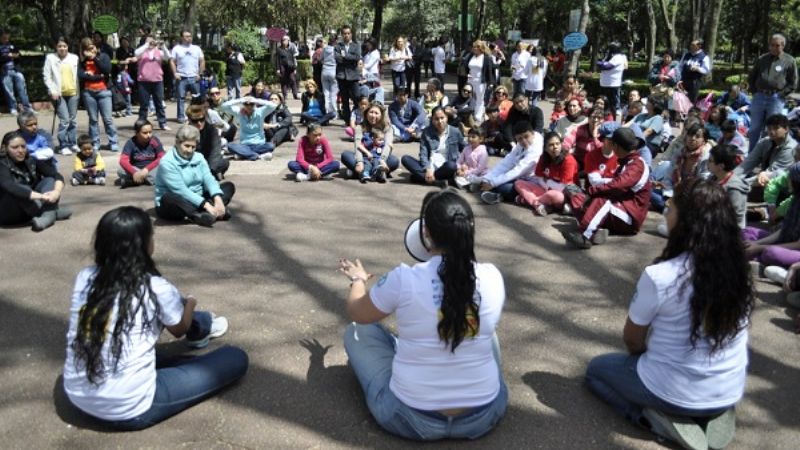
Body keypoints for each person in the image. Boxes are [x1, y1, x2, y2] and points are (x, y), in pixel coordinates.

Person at [585, 178, 752, 450]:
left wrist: (647, 363)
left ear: (687, 220)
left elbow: (633, 341)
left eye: (670, 208)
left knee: (596, 371)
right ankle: (712, 411)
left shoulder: (661, 275)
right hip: (728, 388)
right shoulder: (739, 269)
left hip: (671, 388)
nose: (665, 213)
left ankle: (653, 418)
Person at [339, 189, 507, 440]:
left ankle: (406, 352)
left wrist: (358, 280)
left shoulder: (404, 278)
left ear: (426, 233)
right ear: (469, 230)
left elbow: (357, 312)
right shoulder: (492, 275)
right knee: (485, 331)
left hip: (409, 417)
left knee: (356, 331)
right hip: (483, 414)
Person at [63, 206, 247, 430]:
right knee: (235, 357)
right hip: (132, 408)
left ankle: (202, 331)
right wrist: (190, 302)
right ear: (144, 245)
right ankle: (203, 331)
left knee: (142, 345)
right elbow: (179, 329)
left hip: (78, 398)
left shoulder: (85, 277)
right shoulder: (155, 286)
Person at [562, 127, 651, 249]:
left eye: (613, 145)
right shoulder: (625, 162)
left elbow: (617, 186)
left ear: (617, 146)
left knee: (602, 198)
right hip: (616, 209)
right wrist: (589, 195)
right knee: (574, 194)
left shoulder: (637, 165)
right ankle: (596, 229)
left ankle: (585, 235)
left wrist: (592, 192)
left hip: (630, 217)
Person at [154, 126, 235, 227]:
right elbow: (181, 190)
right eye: (186, 146)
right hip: (178, 201)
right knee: (168, 198)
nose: (189, 150)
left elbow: (208, 178)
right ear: (177, 142)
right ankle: (197, 215)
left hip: (198, 197)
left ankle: (211, 211)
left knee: (228, 187)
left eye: (193, 147)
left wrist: (217, 198)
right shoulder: (167, 162)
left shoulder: (199, 157)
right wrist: (206, 204)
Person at [0, 131, 71, 231]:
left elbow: (56, 175)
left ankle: (48, 214)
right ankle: (51, 213)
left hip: (31, 208)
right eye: (15, 147)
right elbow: (10, 186)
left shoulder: (30, 160)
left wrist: (56, 192)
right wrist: (42, 197)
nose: (20, 150)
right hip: (9, 213)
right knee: (21, 188)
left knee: (49, 180)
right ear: (4, 148)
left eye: (23, 146)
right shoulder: (2, 164)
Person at [747, 33, 798, 153]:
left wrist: (781, 95)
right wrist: (755, 92)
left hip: (776, 98)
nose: (774, 47)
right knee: (754, 128)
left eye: (777, 45)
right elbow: (752, 77)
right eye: (772, 45)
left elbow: (793, 83)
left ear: (783, 46)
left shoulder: (789, 61)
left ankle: (767, 156)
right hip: (759, 97)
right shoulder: (762, 59)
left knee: (772, 130)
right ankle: (752, 155)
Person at [650, 124, 711, 213]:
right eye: (690, 135)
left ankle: (673, 209)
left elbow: (702, 183)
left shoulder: (705, 157)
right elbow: (669, 177)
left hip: (692, 197)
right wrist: (671, 196)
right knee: (647, 191)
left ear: (704, 141)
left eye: (697, 136)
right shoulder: (680, 152)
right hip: (673, 192)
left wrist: (679, 198)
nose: (692, 138)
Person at [514, 131, 578, 216]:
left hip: (563, 195)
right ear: (545, 148)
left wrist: (547, 181)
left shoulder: (568, 160)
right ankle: (539, 204)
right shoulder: (543, 158)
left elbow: (563, 187)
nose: (555, 147)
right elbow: (539, 177)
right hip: (544, 190)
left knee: (553, 194)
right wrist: (548, 183)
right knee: (518, 183)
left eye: (557, 144)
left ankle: (527, 200)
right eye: (551, 145)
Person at [479, 121, 543, 205]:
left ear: (533, 134)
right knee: (493, 180)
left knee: (504, 188)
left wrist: (493, 183)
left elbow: (518, 171)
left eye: (526, 136)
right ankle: (495, 192)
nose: (524, 141)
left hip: (533, 183)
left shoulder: (536, 149)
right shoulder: (520, 145)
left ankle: (501, 195)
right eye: (519, 139)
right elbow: (507, 162)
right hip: (521, 178)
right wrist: (487, 179)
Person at [401, 107, 464, 185]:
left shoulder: (455, 131)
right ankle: (438, 181)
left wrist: (464, 165)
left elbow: (465, 149)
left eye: (442, 118)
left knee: (451, 166)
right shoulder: (426, 132)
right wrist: (428, 169)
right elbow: (423, 154)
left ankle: (422, 178)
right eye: (436, 119)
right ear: (432, 120)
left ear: (447, 117)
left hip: (446, 167)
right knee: (405, 159)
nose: (440, 121)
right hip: (430, 166)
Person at [734, 114, 797, 189]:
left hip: (781, 185)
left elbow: (770, 174)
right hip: (763, 178)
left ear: (786, 129)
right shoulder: (765, 142)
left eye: (776, 128)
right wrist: (731, 178)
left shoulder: (791, 148)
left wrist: (738, 184)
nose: (772, 132)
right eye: (769, 128)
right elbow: (748, 163)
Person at [79, 37, 119, 152]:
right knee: (93, 120)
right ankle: (95, 142)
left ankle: (113, 141)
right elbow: (81, 75)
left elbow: (106, 70)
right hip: (89, 93)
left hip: (103, 91)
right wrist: (98, 76)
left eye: (92, 48)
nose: (90, 51)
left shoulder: (103, 57)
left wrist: (94, 59)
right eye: (87, 49)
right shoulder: (83, 61)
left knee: (107, 119)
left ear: (96, 47)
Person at [342, 102, 400, 179]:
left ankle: (364, 172)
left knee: (394, 161)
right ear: (366, 113)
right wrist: (360, 162)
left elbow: (388, 145)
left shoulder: (387, 128)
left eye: (376, 113)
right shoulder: (359, 127)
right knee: (345, 155)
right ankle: (376, 172)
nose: (373, 115)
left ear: (381, 115)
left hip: (379, 158)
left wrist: (382, 160)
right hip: (364, 157)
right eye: (371, 112)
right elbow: (357, 145)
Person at [43, 36, 80, 154]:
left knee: (72, 120)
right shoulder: (50, 58)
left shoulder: (74, 58)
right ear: (56, 47)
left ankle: (72, 143)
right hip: (58, 94)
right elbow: (47, 76)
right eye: (60, 46)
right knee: (64, 120)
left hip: (73, 93)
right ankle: (63, 145)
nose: (62, 48)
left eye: (64, 46)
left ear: (68, 47)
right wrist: (52, 90)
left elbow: (78, 75)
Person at [220, 96, 277, 161]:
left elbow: (273, 105)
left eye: (251, 104)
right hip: (245, 145)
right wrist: (240, 100)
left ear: (255, 104)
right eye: (246, 104)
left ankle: (244, 154)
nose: (249, 106)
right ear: (243, 105)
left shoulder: (260, 112)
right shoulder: (239, 112)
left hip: (259, 144)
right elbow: (224, 106)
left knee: (270, 146)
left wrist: (256, 100)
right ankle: (258, 156)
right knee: (230, 146)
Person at [707, 144, 750, 229]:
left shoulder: (734, 189)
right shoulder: (713, 178)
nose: (707, 162)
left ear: (721, 166)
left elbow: (735, 218)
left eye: (710, 160)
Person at [134, 36, 171, 131]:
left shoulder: (159, 52)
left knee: (159, 103)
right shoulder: (142, 52)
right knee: (144, 104)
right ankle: (141, 123)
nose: (151, 43)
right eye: (148, 41)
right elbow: (136, 53)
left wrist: (163, 46)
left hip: (157, 81)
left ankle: (162, 123)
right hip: (143, 81)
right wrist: (146, 45)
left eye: (152, 41)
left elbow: (168, 57)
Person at [185, 104, 229, 180]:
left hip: (208, 161)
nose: (199, 123)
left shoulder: (211, 130)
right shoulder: (184, 132)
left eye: (202, 119)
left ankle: (212, 174)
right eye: (195, 121)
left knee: (224, 162)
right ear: (189, 120)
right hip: (192, 162)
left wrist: (208, 172)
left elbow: (215, 152)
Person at [171, 29, 205, 124]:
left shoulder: (196, 48)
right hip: (181, 77)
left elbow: (202, 60)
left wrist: (200, 73)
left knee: (197, 98)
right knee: (181, 98)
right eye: (186, 36)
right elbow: (172, 61)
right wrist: (175, 73)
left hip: (194, 77)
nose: (188, 38)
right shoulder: (177, 48)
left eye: (190, 36)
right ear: (182, 37)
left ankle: (197, 115)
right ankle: (181, 117)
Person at [119, 119, 165, 188]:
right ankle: (146, 180)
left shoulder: (154, 140)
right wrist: (134, 172)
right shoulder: (131, 143)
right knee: (120, 171)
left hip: (151, 169)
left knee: (163, 169)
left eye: (150, 132)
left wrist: (146, 170)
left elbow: (162, 157)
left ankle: (134, 181)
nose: (149, 135)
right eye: (145, 133)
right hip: (136, 170)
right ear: (137, 133)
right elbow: (123, 160)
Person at [0, 28, 32, 115]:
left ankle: (27, 107)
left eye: (7, 37)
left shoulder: (12, 45)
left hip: (16, 70)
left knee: (22, 89)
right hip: (5, 71)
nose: (6, 38)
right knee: (9, 91)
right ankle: (13, 108)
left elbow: (19, 55)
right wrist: (9, 56)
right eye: (4, 37)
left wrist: (13, 55)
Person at [335, 25, 362, 123]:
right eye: (344, 33)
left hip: (353, 76)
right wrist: (349, 59)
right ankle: (347, 120)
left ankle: (358, 118)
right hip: (342, 76)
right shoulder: (338, 46)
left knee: (357, 98)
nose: (346, 35)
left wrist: (345, 56)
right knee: (345, 100)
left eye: (348, 33)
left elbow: (357, 57)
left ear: (351, 34)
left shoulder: (356, 45)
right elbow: (337, 59)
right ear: (342, 35)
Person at [596, 43, 627, 120]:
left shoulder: (618, 57)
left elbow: (606, 66)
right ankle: (605, 119)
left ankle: (617, 121)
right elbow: (602, 64)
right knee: (605, 104)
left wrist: (599, 63)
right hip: (605, 84)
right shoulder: (610, 56)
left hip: (613, 85)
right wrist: (601, 62)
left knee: (615, 106)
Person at [466, 40, 496, 122]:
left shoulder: (486, 58)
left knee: (479, 98)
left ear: (481, 48)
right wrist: (467, 74)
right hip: (470, 80)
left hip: (480, 82)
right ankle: (471, 113)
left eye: (477, 47)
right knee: (471, 98)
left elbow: (490, 71)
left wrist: (491, 83)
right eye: (474, 47)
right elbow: (466, 66)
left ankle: (477, 116)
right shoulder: (471, 56)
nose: (474, 48)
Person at [321, 35, 339, 118]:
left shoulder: (324, 49)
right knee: (333, 94)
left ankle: (327, 111)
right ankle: (334, 113)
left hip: (324, 71)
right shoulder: (336, 49)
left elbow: (321, 59)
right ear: (335, 41)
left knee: (326, 93)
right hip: (334, 71)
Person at [277, 35, 299, 100]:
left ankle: (295, 94)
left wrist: (294, 69)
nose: (284, 42)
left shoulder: (290, 49)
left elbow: (292, 59)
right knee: (283, 81)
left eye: (285, 40)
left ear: (288, 41)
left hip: (290, 68)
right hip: (282, 67)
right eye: (283, 40)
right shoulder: (279, 49)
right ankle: (285, 95)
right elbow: (277, 60)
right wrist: (278, 69)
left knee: (293, 80)